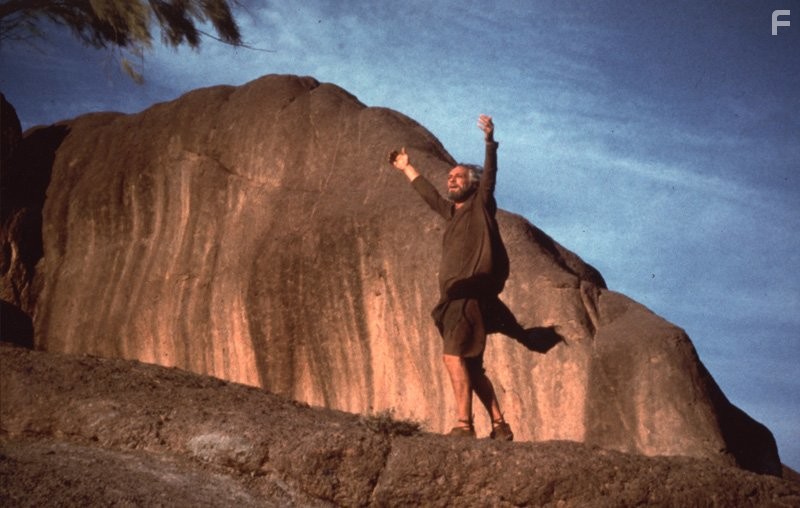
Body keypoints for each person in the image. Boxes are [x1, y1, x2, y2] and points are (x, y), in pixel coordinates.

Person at [389, 114, 517, 440]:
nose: (452, 181)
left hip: (466, 295)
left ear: (472, 184)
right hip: (456, 298)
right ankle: (500, 425)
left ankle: (464, 424)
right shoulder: (452, 213)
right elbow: (429, 194)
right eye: (450, 177)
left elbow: (490, 176)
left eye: (458, 177)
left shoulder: (480, 205)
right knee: (472, 366)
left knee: (452, 357)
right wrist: (407, 168)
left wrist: (489, 141)